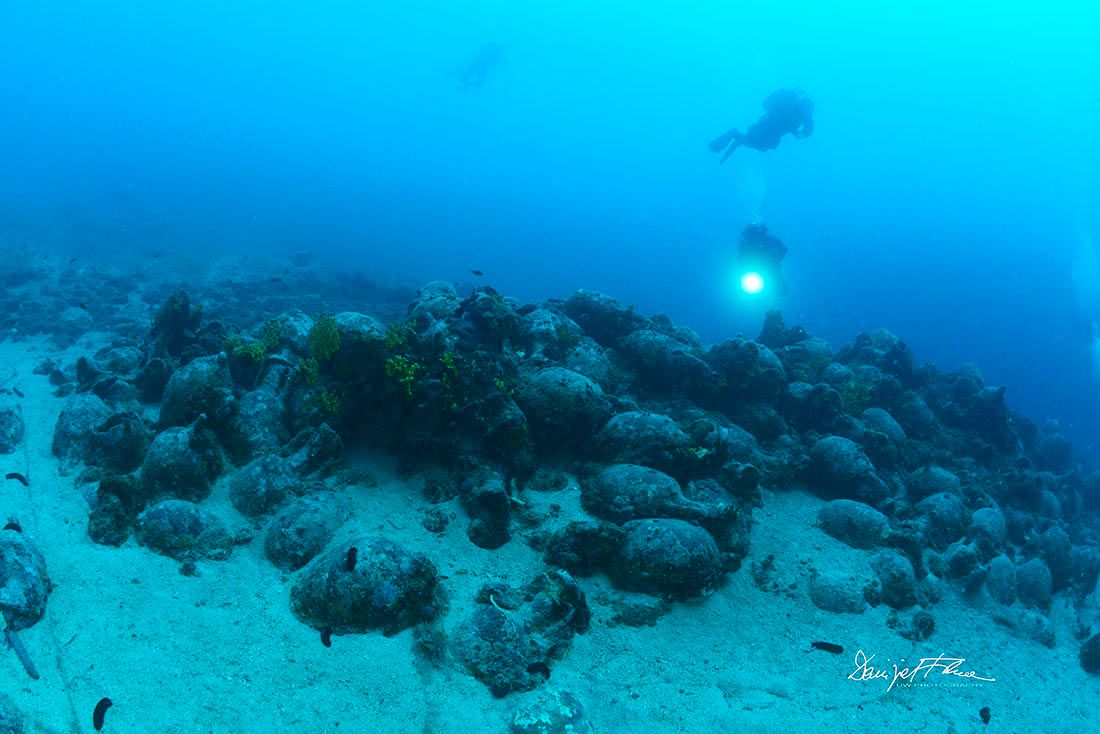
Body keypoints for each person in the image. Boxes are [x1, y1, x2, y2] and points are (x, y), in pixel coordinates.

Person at [709, 89, 815, 163]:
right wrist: (798, 133)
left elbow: (788, 124)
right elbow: (802, 130)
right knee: (756, 144)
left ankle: (735, 139)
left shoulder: (793, 107)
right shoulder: (802, 114)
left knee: (752, 142)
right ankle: (734, 135)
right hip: (769, 131)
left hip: (765, 126)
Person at [737, 223, 788, 296]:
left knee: (777, 280)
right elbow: (740, 257)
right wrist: (745, 267)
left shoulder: (767, 238)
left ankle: (780, 291)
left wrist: (774, 260)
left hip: (769, 263)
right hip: (754, 265)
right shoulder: (744, 242)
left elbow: (784, 249)